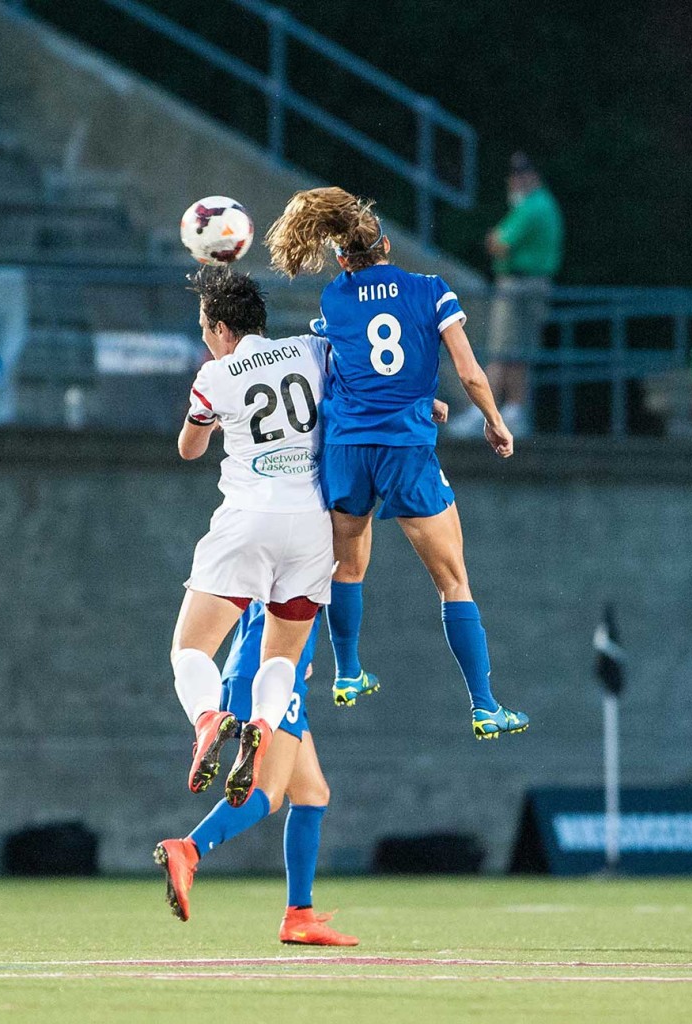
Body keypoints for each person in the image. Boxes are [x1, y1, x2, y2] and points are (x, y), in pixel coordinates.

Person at [265, 186, 528, 739]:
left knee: (347, 568)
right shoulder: (430, 290)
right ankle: (483, 705)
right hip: (405, 449)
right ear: (386, 244)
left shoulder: (334, 300)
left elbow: (351, 366)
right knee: (453, 580)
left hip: (346, 451)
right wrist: (493, 420)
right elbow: (471, 371)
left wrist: (414, 398)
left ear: (341, 260)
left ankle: (348, 672)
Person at [160, 265, 332, 823]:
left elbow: (188, 449)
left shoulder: (215, 376)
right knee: (281, 657)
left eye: (204, 327)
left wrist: (208, 392)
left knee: (189, 649)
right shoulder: (310, 350)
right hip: (312, 527)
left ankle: (209, 719)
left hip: (249, 522)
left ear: (218, 328)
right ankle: (261, 724)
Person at [154, 603, 358, 946]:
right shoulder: (318, 552)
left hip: (255, 666)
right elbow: (343, 589)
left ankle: (299, 917)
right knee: (268, 792)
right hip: (272, 675)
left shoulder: (272, 551)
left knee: (311, 793)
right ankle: (188, 849)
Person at [453, 152, 564, 438]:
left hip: (518, 286)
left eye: (521, 175)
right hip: (535, 285)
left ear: (533, 177)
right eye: (515, 176)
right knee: (519, 352)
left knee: (502, 351)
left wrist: (495, 238)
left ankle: (484, 413)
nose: (516, 181)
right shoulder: (545, 203)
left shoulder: (532, 206)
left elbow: (498, 243)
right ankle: (515, 411)